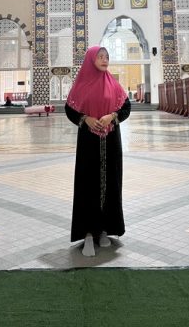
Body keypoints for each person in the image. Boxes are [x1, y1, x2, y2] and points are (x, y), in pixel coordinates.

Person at [65, 46, 131, 257]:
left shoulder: (114, 84)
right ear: (91, 59)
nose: (104, 60)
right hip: (88, 143)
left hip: (111, 143)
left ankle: (104, 230)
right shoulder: (81, 85)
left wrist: (112, 116)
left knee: (110, 185)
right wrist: (87, 120)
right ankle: (87, 235)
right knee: (88, 186)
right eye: (100, 57)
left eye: (107, 57)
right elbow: (70, 109)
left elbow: (126, 107)